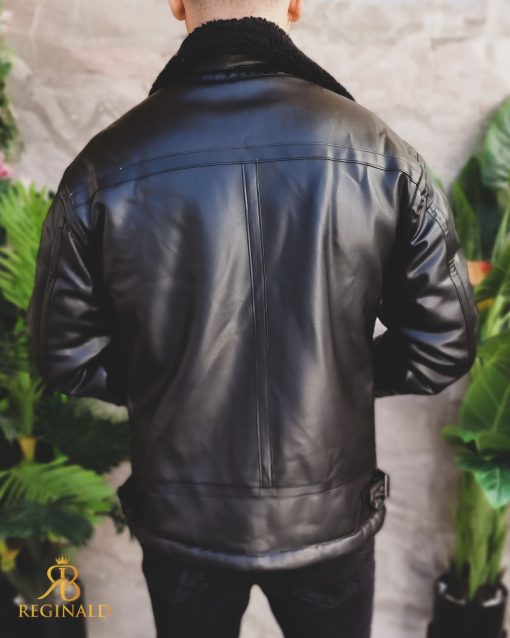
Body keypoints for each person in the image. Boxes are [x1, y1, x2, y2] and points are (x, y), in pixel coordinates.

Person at [27, 0, 479, 636]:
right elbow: (443, 344)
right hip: (329, 515)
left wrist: (173, 382)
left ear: (177, 3)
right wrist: (337, 378)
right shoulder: (381, 155)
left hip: (183, 518)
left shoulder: (104, 167)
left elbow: (65, 356)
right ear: (294, 4)